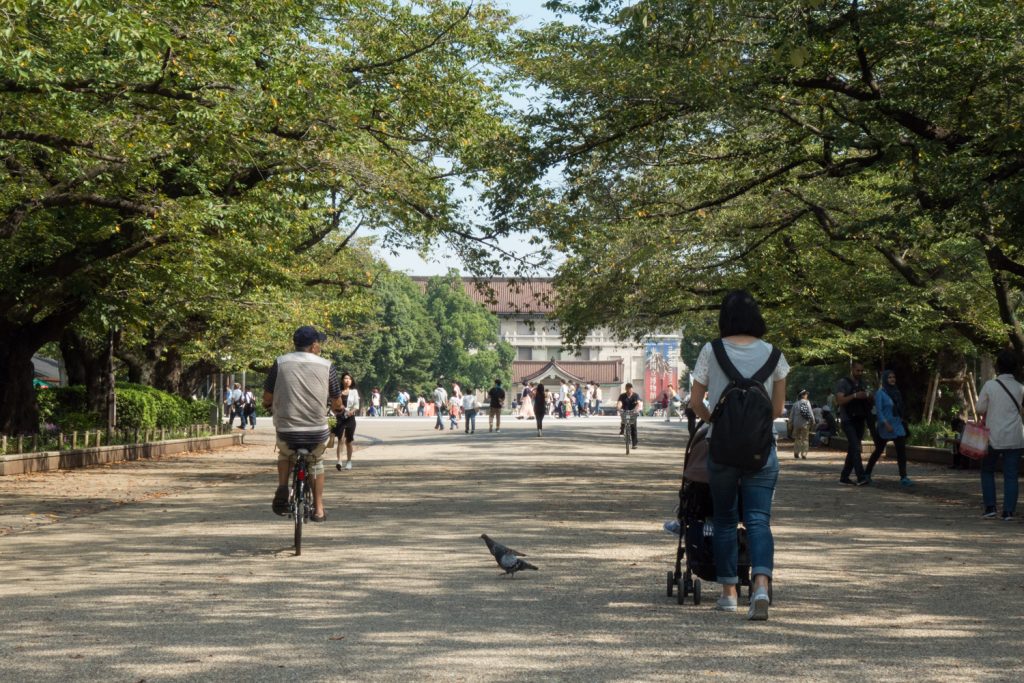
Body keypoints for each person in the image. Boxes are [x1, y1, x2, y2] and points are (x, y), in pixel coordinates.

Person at [689, 290, 789, 621]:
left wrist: (716, 421)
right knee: (759, 518)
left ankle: (728, 593)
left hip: (722, 448)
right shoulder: (775, 355)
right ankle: (760, 585)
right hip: (762, 449)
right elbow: (776, 409)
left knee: (724, 519)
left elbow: (695, 402)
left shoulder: (711, 350)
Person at [263, 325, 342, 523]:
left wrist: (269, 406)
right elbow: (337, 401)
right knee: (316, 462)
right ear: (314, 345)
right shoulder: (327, 366)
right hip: (316, 432)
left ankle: (283, 486)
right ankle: (319, 509)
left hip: (287, 430)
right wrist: (338, 410)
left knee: (285, 453)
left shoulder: (280, 362)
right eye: (319, 343)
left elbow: (267, 397)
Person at [976, 349, 1024, 520]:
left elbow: (980, 409)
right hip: (1015, 437)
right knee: (1011, 474)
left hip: (992, 436)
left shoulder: (990, 385)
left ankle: (990, 507)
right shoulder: (1020, 388)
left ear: (997, 366)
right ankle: (1008, 511)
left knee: (987, 470)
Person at [863, 370, 914, 486]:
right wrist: (886, 424)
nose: (892, 379)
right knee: (878, 451)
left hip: (897, 424)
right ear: (885, 379)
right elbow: (879, 411)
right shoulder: (880, 393)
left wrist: (901, 418)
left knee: (901, 452)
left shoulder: (896, 392)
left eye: (893, 377)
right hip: (885, 426)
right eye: (889, 377)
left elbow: (900, 407)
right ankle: (867, 473)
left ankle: (904, 477)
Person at [835, 361, 873, 485]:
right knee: (856, 448)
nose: (860, 373)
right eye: (858, 370)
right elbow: (840, 400)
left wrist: (868, 396)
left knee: (853, 448)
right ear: (852, 369)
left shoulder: (862, 383)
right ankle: (861, 477)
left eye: (862, 371)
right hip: (847, 420)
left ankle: (844, 476)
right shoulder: (843, 383)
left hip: (860, 419)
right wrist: (855, 395)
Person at [330, 372, 360, 470]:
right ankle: (339, 461)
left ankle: (349, 461)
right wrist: (334, 413)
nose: (347, 380)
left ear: (351, 381)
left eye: (349, 379)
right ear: (342, 380)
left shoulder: (354, 392)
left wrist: (351, 412)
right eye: (345, 378)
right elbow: (333, 405)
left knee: (349, 441)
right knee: (340, 439)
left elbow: (356, 405)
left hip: (350, 418)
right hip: (340, 417)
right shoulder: (337, 392)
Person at [789, 389, 814, 459]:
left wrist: (790, 424)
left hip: (796, 424)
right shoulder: (807, 402)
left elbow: (791, 415)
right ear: (803, 395)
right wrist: (813, 421)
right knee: (805, 439)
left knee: (797, 438)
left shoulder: (795, 404)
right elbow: (811, 412)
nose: (807, 395)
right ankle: (804, 454)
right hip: (805, 424)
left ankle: (796, 452)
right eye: (806, 394)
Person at [616, 383, 641, 449]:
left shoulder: (636, 395)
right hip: (625, 411)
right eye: (627, 388)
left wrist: (636, 410)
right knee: (623, 420)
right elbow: (619, 403)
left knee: (633, 427)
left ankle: (634, 444)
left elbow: (638, 404)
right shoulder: (622, 396)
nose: (629, 390)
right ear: (626, 389)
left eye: (630, 388)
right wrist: (618, 408)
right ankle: (622, 430)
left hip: (633, 412)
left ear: (632, 389)